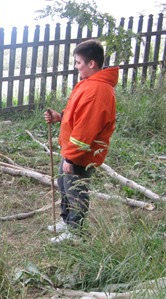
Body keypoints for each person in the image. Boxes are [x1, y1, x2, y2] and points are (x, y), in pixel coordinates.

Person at [44, 39, 119, 243]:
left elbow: (86, 129)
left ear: (91, 63)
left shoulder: (97, 91)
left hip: (80, 154)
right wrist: (60, 116)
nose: (76, 66)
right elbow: (77, 114)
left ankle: (75, 232)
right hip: (71, 150)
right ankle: (67, 221)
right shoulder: (89, 84)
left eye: (78, 62)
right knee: (65, 185)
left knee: (76, 190)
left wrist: (71, 157)